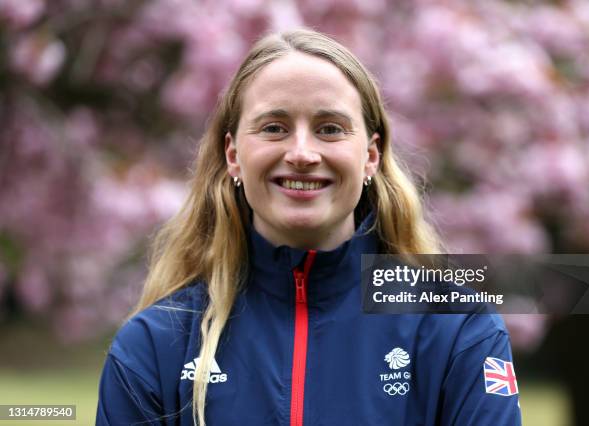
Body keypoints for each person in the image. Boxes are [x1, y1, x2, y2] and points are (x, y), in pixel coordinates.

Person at [96, 28, 522, 425]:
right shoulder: (154, 346)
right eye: (274, 128)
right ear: (233, 155)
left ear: (370, 156)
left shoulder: (457, 327)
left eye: (330, 129)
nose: (302, 153)